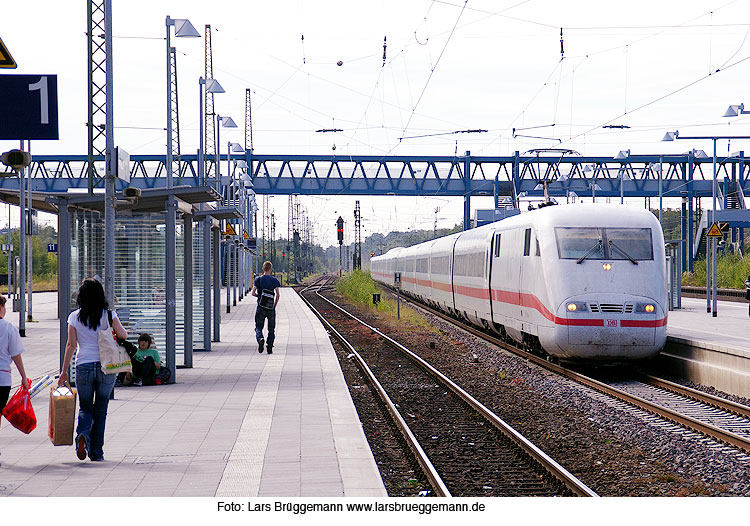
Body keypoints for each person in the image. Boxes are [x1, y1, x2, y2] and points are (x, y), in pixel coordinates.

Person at [59, 278, 127, 462]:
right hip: (107, 366)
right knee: (101, 408)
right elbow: (123, 335)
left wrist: (64, 371)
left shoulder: (74, 317)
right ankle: (97, 452)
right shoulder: (109, 315)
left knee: (85, 406)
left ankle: (82, 434)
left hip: (83, 365)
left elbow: (71, 345)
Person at [0, 294, 29, 415]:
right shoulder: (8, 328)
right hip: (2, 379)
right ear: (1, 307)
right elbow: (16, 354)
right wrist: (23, 377)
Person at [251, 260, 281, 354]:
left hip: (260, 307)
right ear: (271, 269)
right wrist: (274, 305)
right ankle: (269, 347)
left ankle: (260, 338)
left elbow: (253, 293)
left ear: (263, 269)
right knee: (271, 329)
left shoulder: (258, 279)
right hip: (270, 307)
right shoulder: (274, 280)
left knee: (258, 327)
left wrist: (259, 297)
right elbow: (278, 295)